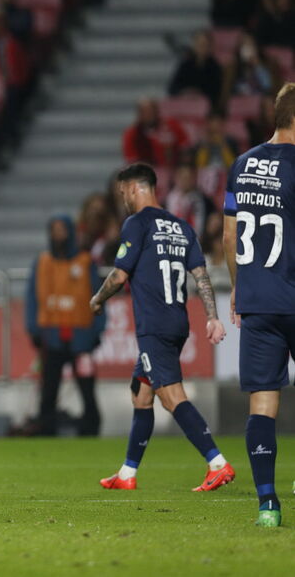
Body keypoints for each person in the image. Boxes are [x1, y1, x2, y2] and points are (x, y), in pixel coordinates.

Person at [90, 163, 233, 493]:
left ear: (135, 188)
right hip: (177, 322)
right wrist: (212, 317)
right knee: (142, 395)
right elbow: (201, 276)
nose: (123, 199)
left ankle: (217, 463)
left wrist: (96, 300)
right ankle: (127, 473)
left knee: (172, 398)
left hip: (154, 325)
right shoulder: (182, 227)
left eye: (123, 192)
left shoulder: (136, 223)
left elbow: (119, 275)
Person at [221, 82, 295, 527]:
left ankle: (267, 504)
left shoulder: (241, 164)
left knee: (262, 403)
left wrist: (238, 287)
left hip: (258, 300)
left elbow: (229, 234)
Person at [26, 215, 105, 436]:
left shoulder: (85, 262)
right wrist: (33, 329)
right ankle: (46, 428)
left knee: (87, 386)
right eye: (54, 230)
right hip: (51, 335)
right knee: (49, 387)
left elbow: (99, 296)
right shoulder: (42, 262)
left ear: (70, 232)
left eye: (61, 230)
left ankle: (91, 427)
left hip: (81, 336)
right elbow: (32, 298)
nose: (57, 235)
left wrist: (97, 330)